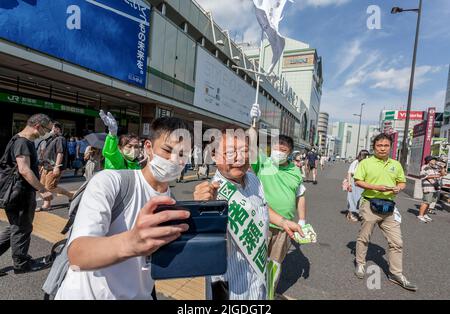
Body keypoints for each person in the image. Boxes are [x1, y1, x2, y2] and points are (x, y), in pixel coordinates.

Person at [55, 117, 191, 299]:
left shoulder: (172, 204)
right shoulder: (110, 182)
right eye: (167, 150)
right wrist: (131, 242)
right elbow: (78, 254)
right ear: (149, 148)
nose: (175, 160)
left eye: (182, 154)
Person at [193, 123, 303, 299]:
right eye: (230, 153)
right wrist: (203, 210)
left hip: (258, 283)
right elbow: (201, 249)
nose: (239, 158)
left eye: (245, 151)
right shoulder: (211, 195)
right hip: (228, 287)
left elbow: (263, 207)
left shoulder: (254, 179)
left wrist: (283, 221)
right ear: (213, 155)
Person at [247, 112, 307, 296]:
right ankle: (252, 293)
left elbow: (301, 195)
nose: (279, 151)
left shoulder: (295, 171)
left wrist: (302, 219)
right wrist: (253, 125)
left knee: (275, 263)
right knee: (255, 260)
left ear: (290, 152)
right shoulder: (263, 163)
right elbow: (250, 144)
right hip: (260, 222)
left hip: (284, 228)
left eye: (283, 148)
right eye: (276, 147)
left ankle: (268, 293)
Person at [353, 133, 417, 291]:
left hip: (389, 206)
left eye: (386, 145)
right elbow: (357, 181)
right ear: (374, 146)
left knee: (397, 242)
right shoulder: (366, 163)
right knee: (364, 237)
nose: (382, 148)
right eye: (379, 145)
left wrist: (398, 187)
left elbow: (402, 182)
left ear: (390, 147)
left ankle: (396, 274)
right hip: (369, 204)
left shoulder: (396, 164)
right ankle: (360, 263)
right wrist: (377, 187)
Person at [0, 114, 54, 274]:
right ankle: (21, 265)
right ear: (38, 126)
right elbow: (23, 169)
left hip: (17, 192)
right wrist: (42, 190)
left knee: (15, 227)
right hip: (19, 193)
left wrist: (39, 163)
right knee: (22, 229)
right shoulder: (23, 141)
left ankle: (21, 259)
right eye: (47, 129)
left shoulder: (20, 140)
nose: (47, 133)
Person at [37, 122, 74, 211]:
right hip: (46, 166)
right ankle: (46, 204)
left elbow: (60, 153)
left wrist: (57, 166)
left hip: (53, 166)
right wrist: (42, 165)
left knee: (50, 186)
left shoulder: (60, 139)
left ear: (57, 129)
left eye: (52, 129)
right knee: (42, 186)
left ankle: (71, 195)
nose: (50, 131)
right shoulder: (50, 139)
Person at [417, 156, 445, 223]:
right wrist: (434, 176)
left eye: (435, 160)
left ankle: (425, 214)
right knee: (426, 201)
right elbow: (422, 176)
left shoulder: (435, 168)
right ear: (429, 161)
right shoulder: (425, 167)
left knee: (430, 202)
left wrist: (442, 168)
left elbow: (442, 174)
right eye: (433, 160)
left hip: (434, 187)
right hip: (428, 187)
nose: (435, 161)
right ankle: (420, 215)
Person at [346, 150, 370, 222]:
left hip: (363, 183)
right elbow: (349, 173)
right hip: (354, 182)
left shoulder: (367, 164)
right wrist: (349, 184)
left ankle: (359, 213)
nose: (368, 157)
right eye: (367, 156)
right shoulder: (356, 162)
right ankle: (351, 213)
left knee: (361, 199)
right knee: (352, 198)